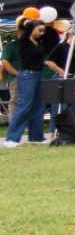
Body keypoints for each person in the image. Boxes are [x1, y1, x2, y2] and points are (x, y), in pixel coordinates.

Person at [4, 13, 56, 147]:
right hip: (27, 75)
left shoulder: (38, 43)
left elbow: (51, 40)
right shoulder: (23, 41)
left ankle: (36, 136)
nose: (42, 33)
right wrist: (28, 20)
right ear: (31, 29)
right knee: (24, 106)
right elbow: (22, 27)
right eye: (39, 30)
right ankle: (11, 138)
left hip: (38, 75)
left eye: (43, 31)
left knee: (38, 106)